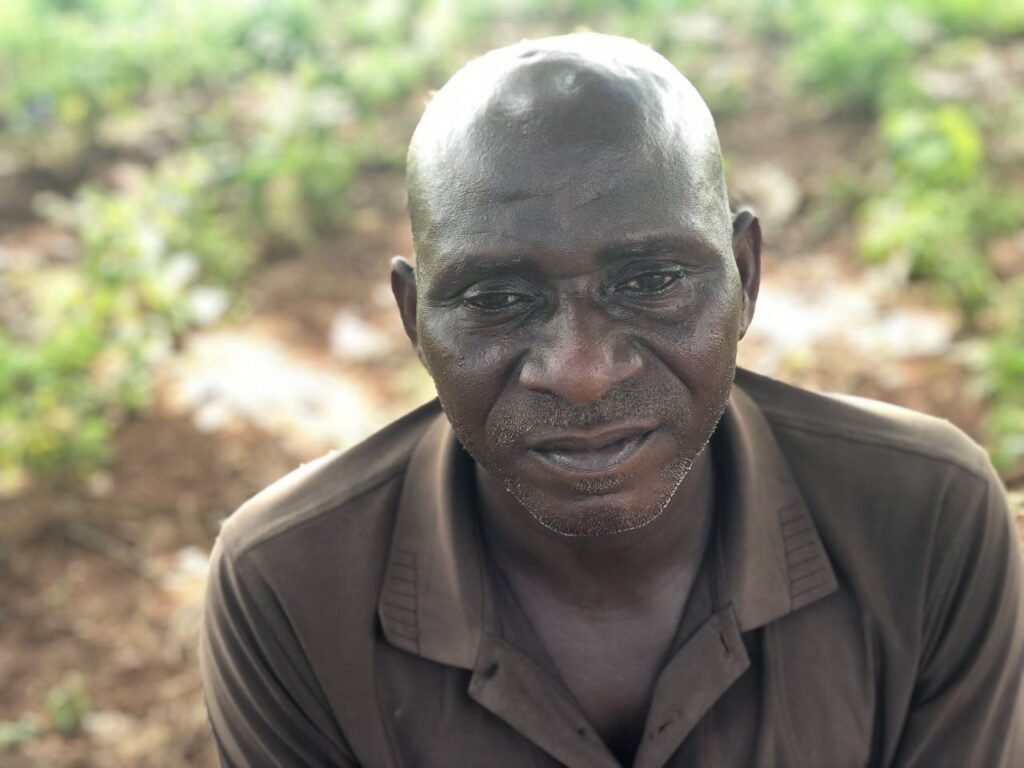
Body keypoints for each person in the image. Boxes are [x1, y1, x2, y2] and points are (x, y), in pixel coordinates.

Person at [199, 34, 1024, 767]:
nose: (582, 372)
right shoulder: (290, 589)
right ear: (415, 320)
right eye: (495, 298)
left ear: (746, 276)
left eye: (651, 282)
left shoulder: (925, 523)